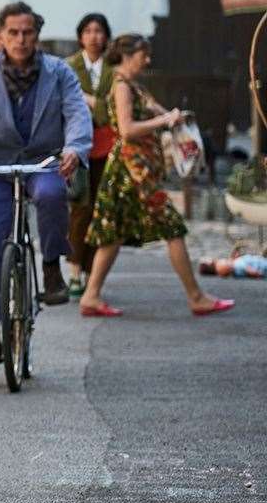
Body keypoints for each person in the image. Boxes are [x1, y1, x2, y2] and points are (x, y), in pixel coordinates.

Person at [0, 1, 92, 362]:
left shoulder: (58, 73)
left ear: (37, 35)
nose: (20, 40)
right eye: (12, 32)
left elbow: (76, 113)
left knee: (53, 195)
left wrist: (74, 148)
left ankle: (53, 266)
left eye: (27, 33)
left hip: (43, 162)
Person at [78, 34, 233, 318]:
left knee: (113, 233)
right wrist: (164, 120)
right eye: (143, 54)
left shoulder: (132, 86)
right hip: (133, 168)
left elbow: (156, 112)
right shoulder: (122, 87)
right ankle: (196, 296)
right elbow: (126, 130)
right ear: (128, 55)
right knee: (172, 227)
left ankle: (91, 295)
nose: (147, 60)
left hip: (131, 168)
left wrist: (172, 116)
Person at [65, 13, 116, 298]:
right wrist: (97, 104)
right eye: (88, 30)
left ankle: (90, 271)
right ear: (81, 36)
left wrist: (92, 101)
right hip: (77, 143)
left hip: (108, 144)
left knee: (101, 208)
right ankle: (74, 270)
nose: (94, 36)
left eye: (99, 30)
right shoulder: (70, 66)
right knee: (79, 206)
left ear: (106, 36)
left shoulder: (114, 68)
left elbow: (112, 109)